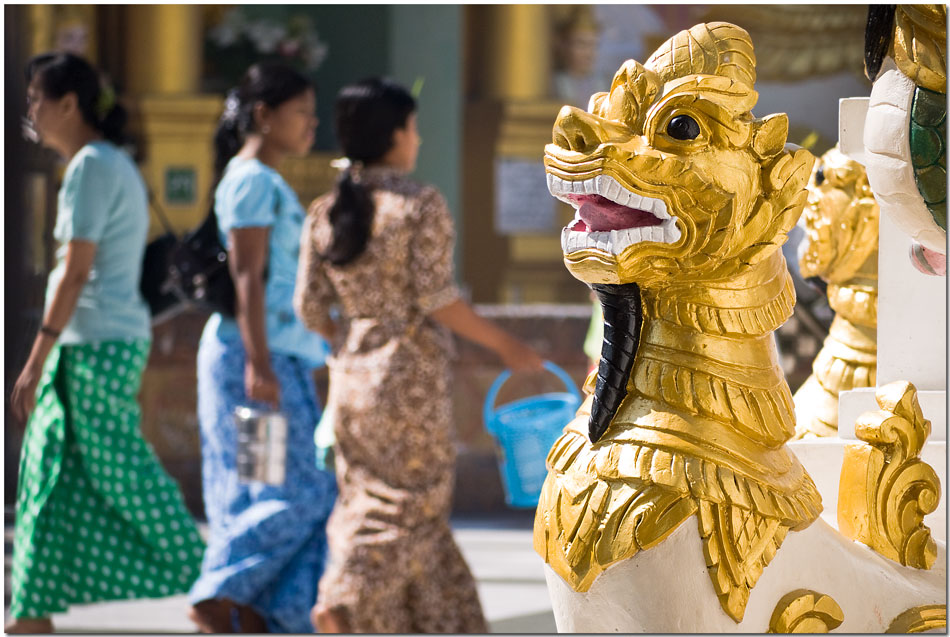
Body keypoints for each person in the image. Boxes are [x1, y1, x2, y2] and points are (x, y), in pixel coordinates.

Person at [294, 77, 545, 634]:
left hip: (351, 382)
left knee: (375, 502)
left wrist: (351, 341)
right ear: (394, 134)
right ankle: (346, 595)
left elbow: (309, 308)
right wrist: (507, 346)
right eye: (412, 126)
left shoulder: (325, 210)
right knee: (412, 503)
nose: (418, 137)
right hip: (408, 377)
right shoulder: (418, 205)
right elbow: (437, 299)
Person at [8, 52, 205, 633]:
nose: (30, 111)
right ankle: (29, 613)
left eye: (37, 99)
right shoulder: (112, 162)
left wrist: (36, 356)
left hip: (88, 342)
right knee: (48, 479)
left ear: (69, 104)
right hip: (101, 340)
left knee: (122, 469)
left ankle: (219, 580)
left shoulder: (91, 167)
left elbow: (74, 270)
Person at [187, 62, 336, 634]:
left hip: (277, 361)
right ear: (263, 115)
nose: (310, 124)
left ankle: (261, 612)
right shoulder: (250, 178)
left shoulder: (265, 180)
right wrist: (259, 363)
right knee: (295, 491)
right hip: (251, 364)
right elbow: (248, 276)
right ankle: (220, 593)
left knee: (270, 485)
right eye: (301, 113)